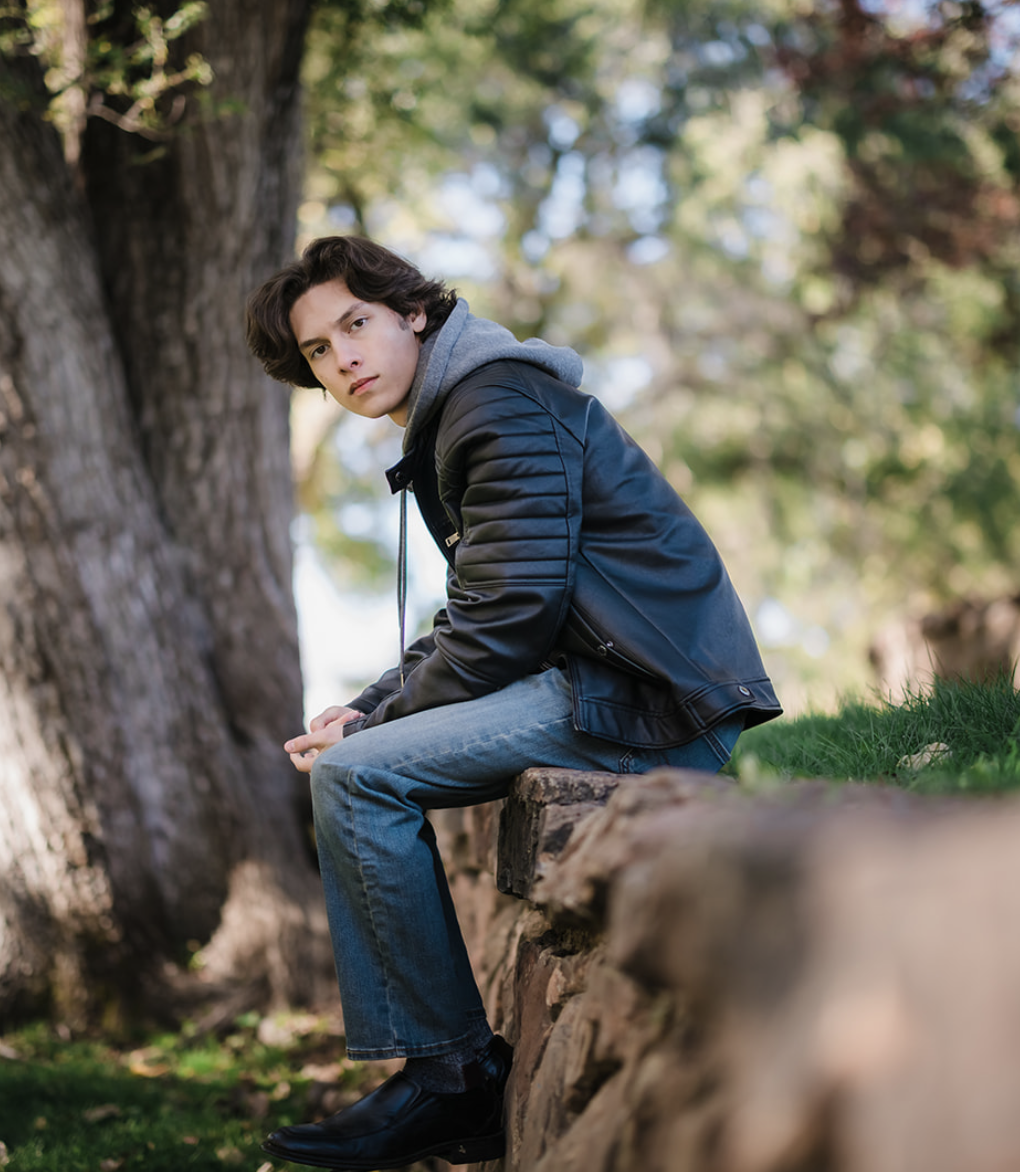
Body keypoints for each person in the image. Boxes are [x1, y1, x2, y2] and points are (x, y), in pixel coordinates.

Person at [244, 236, 781, 1169]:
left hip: (648, 702)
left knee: (360, 782)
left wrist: (373, 732)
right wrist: (368, 704)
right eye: (320, 352)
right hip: (602, 682)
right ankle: (447, 1073)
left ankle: (452, 1079)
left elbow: (508, 617)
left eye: (355, 325)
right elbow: (482, 608)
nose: (343, 360)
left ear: (413, 312)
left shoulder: (497, 406)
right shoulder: (470, 407)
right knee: (359, 759)